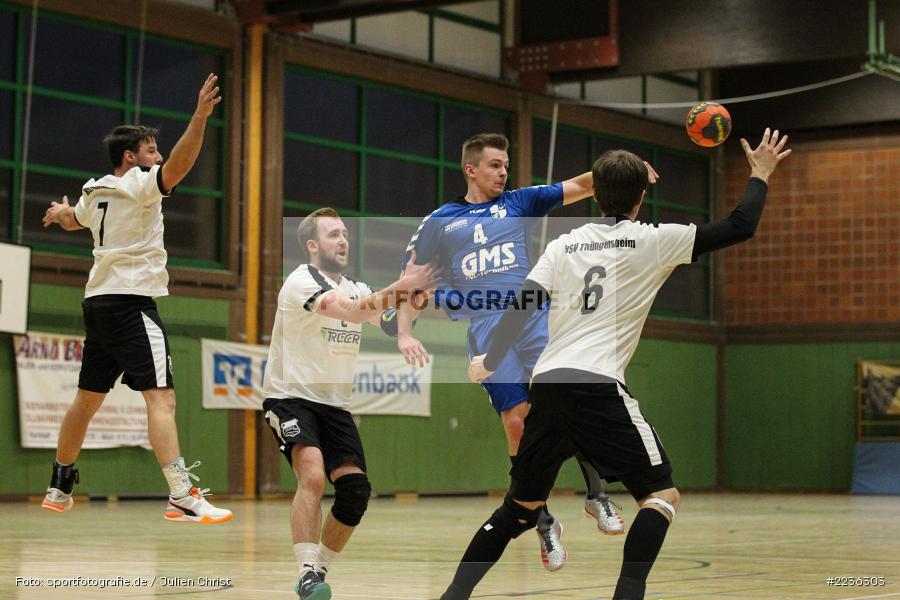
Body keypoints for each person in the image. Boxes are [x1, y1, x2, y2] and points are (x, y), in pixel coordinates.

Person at [442, 128, 791, 600]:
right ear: (641, 197)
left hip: (547, 385)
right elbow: (739, 225)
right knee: (661, 496)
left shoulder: (563, 245)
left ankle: (452, 597)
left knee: (520, 510)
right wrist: (760, 173)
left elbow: (522, 305)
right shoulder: (654, 240)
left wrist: (491, 360)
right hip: (598, 386)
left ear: (596, 193)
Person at [398, 134, 656, 569]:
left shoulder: (518, 203)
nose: (503, 172)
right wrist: (405, 333)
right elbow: (411, 279)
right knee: (517, 424)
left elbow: (581, 185)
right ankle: (543, 522)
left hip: (533, 318)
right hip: (483, 327)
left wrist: (627, 170)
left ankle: (597, 495)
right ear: (471, 169)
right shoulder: (441, 221)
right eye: (495, 165)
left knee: (566, 405)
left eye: (505, 164)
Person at [40, 74, 232, 524]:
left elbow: (74, 219)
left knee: (85, 401)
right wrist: (200, 117)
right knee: (161, 400)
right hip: (131, 301)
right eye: (151, 151)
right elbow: (180, 166)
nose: (158, 157)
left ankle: (59, 484)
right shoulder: (141, 184)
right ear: (132, 157)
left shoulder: (95, 190)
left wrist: (58, 213)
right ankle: (182, 494)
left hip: (98, 303)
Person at [262, 208, 437, 600]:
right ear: (312, 245)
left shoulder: (358, 286)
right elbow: (354, 312)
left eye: (344, 234)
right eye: (332, 235)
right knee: (311, 475)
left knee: (356, 491)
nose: (342, 240)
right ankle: (306, 570)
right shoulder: (300, 282)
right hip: (291, 397)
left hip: (335, 406)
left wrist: (421, 293)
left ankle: (318, 570)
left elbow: (390, 321)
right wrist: (406, 281)